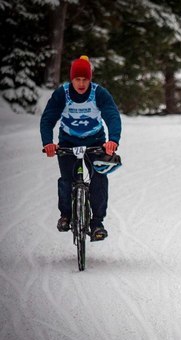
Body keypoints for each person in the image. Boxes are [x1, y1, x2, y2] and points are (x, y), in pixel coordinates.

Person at [40, 55, 121, 241]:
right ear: (72, 79)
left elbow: (112, 115)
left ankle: (97, 223)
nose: (81, 83)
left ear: (90, 79)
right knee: (67, 179)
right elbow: (48, 118)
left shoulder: (99, 93)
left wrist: (112, 140)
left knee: (99, 178)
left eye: (85, 79)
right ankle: (66, 215)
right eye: (77, 79)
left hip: (95, 141)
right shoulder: (62, 94)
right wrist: (48, 143)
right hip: (68, 141)